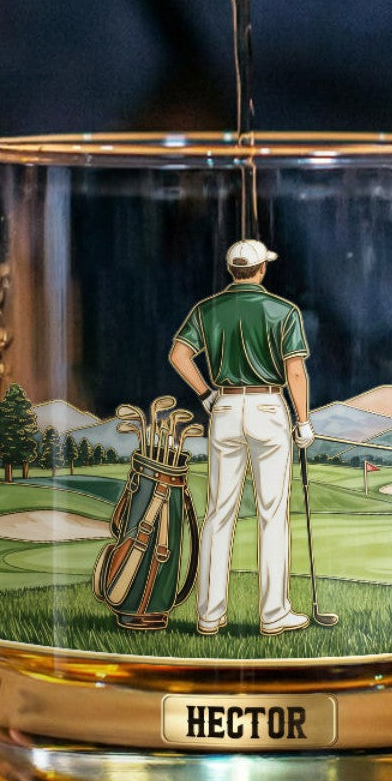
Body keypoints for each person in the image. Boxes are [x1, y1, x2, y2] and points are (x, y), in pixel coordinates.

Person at [169, 240, 317, 635]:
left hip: (225, 408)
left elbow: (179, 355)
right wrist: (303, 421)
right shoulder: (283, 311)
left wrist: (205, 394)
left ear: (232, 270)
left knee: (219, 512)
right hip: (269, 408)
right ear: (261, 269)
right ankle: (273, 614)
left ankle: (209, 614)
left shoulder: (207, 309)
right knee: (272, 512)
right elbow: (295, 372)